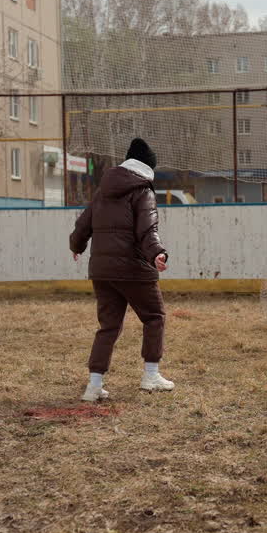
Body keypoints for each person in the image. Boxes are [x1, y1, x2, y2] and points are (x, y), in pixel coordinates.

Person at [69, 138, 175, 402]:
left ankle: (94, 385)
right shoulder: (143, 191)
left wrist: (77, 245)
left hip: (102, 270)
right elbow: (148, 230)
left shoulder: (103, 189)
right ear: (148, 168)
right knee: (154, 317)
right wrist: (157, 254)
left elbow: (83, 223)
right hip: (133, 269)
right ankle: (151, 376)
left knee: (108, 326)